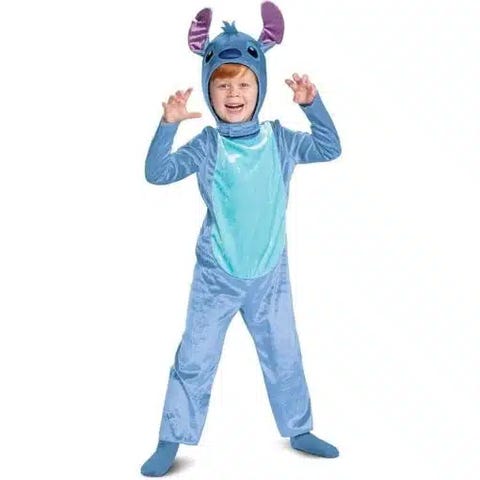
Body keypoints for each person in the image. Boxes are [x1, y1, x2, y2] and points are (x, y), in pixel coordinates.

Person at [141, 2, 342, 476]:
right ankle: (171, 438)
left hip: (270, 276)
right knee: (195, 357)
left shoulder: (280, 140)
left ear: (260, 88)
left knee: (284, 354)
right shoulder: (207, 145)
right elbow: (157, 173)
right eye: (223, 85)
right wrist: (167, 126)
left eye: (244, 84)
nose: (234, 94)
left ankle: (299, 429)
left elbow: (329, 147)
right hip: (217, 276)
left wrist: (312, 105)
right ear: (210, 92)